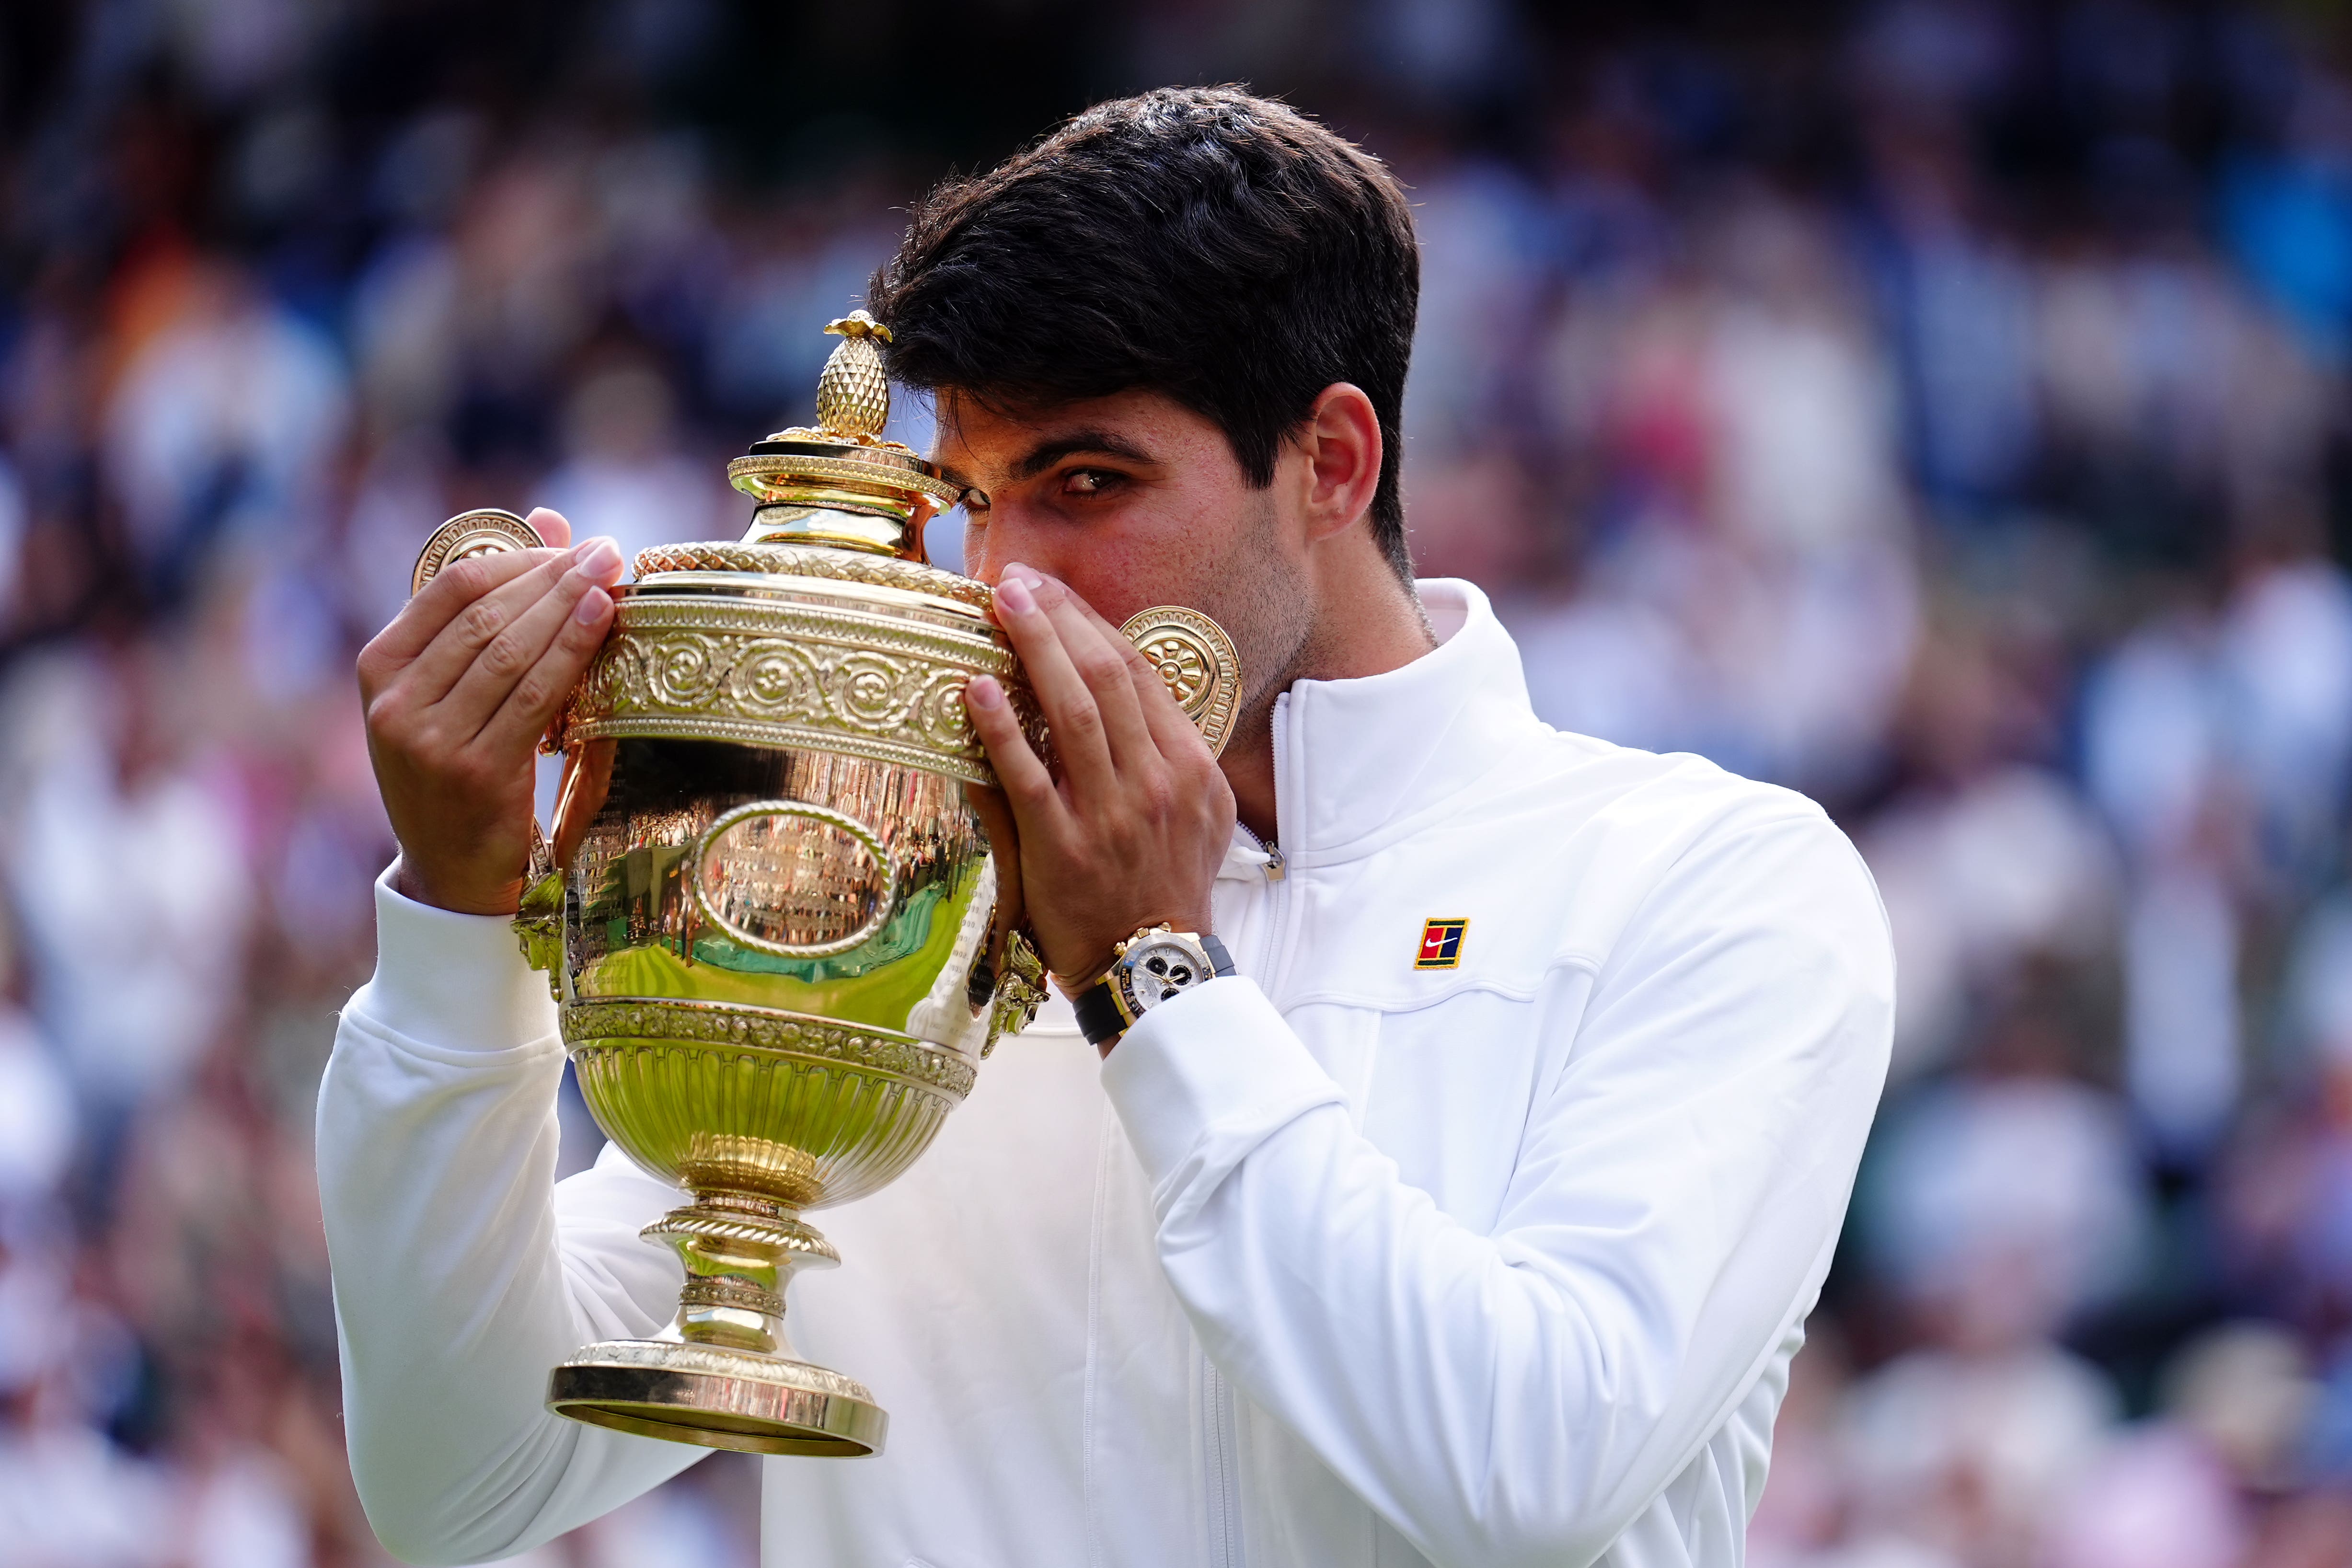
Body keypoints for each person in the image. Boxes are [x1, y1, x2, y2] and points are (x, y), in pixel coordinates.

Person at [320, 87, 1894, 1568]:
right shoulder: (912, 898)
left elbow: (1529, 1467)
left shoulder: (1712, 882)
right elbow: (463, 1482)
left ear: (1331, 464)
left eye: (1085, 481)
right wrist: (458, 922)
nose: (1006, 582)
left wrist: (1156, 980)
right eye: (970, 497)